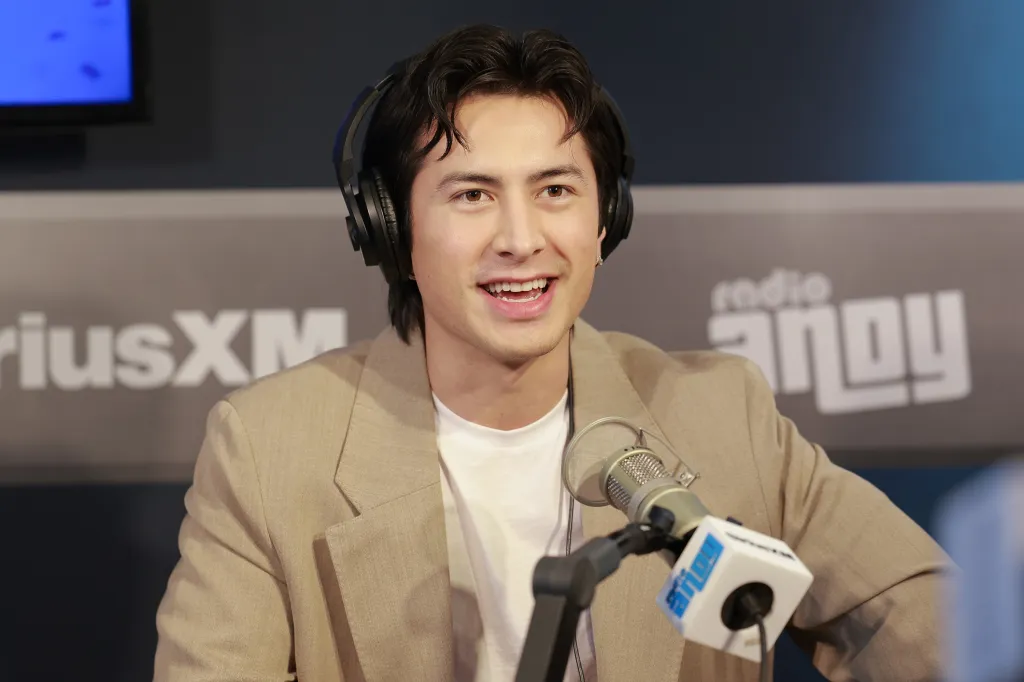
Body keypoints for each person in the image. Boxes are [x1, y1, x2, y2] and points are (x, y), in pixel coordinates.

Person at [153, 23, 948, 682]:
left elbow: (930, 621)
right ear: (391, 231)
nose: (522, 240)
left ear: (607, 221)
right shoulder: (269, 448)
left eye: (556, 190)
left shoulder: (720, 412)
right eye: (472, 195)